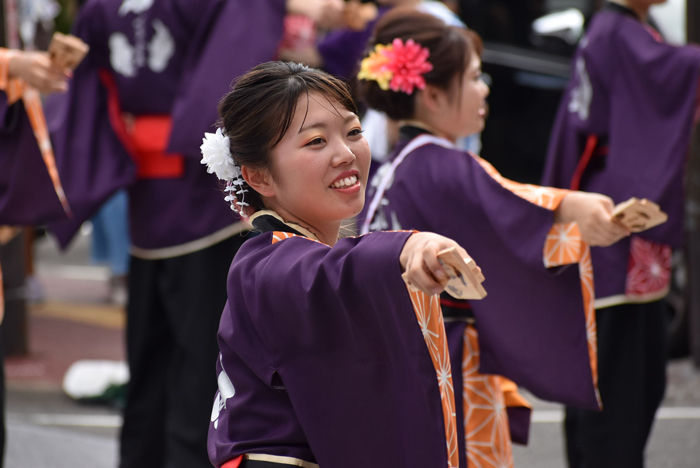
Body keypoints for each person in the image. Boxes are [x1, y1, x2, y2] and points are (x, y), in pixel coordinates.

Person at [41, 1, 348, 467]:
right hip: (202, 193)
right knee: (199, 375)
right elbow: (229, 92)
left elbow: (85, 88)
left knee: (150, 367)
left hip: (148, 193)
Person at [356, 8, 631, 467]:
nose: (486, 89)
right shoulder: (445, 166)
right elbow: (513, 208)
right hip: (445, 362)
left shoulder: (394, 166)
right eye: (476, 78)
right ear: (434, 95)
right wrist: (575, 209)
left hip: (396, 357)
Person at [204, 61, 471, 468]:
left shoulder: (292, 256)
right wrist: (408, 248)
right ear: (259, 177)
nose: (346, 154)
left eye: (354, 132)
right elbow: (330, 274)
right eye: (315, 142)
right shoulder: (267, 266)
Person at [540, 1, 700, 467]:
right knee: (622, 379)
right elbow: (675, 69)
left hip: (607, 204)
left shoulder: (609, 29)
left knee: (613, 374)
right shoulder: (619, 32)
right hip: (619, 219)